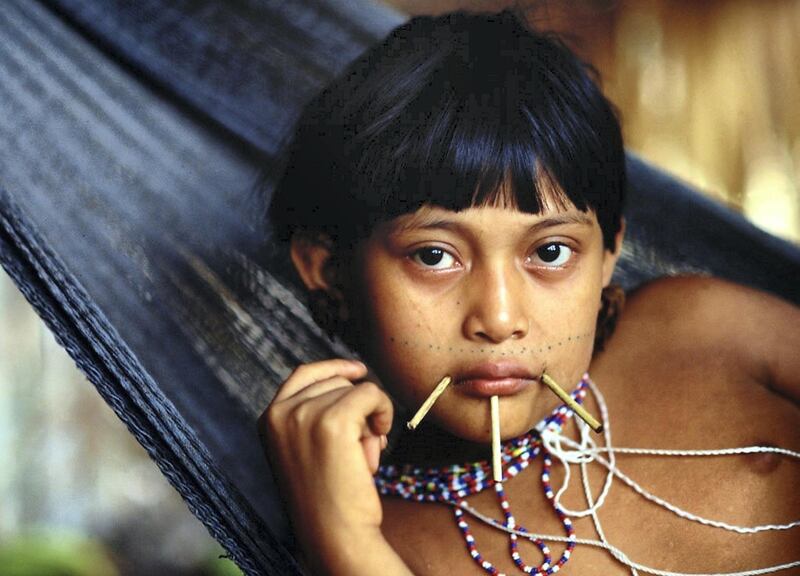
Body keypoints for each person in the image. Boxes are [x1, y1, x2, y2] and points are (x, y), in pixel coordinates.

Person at [259, 10, 800, 576]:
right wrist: (342, 536)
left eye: (549, 253)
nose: (498, 318)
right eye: (434, 256)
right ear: (329, 269)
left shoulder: (703, 329)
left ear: (609, 251)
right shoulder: (379, 541)